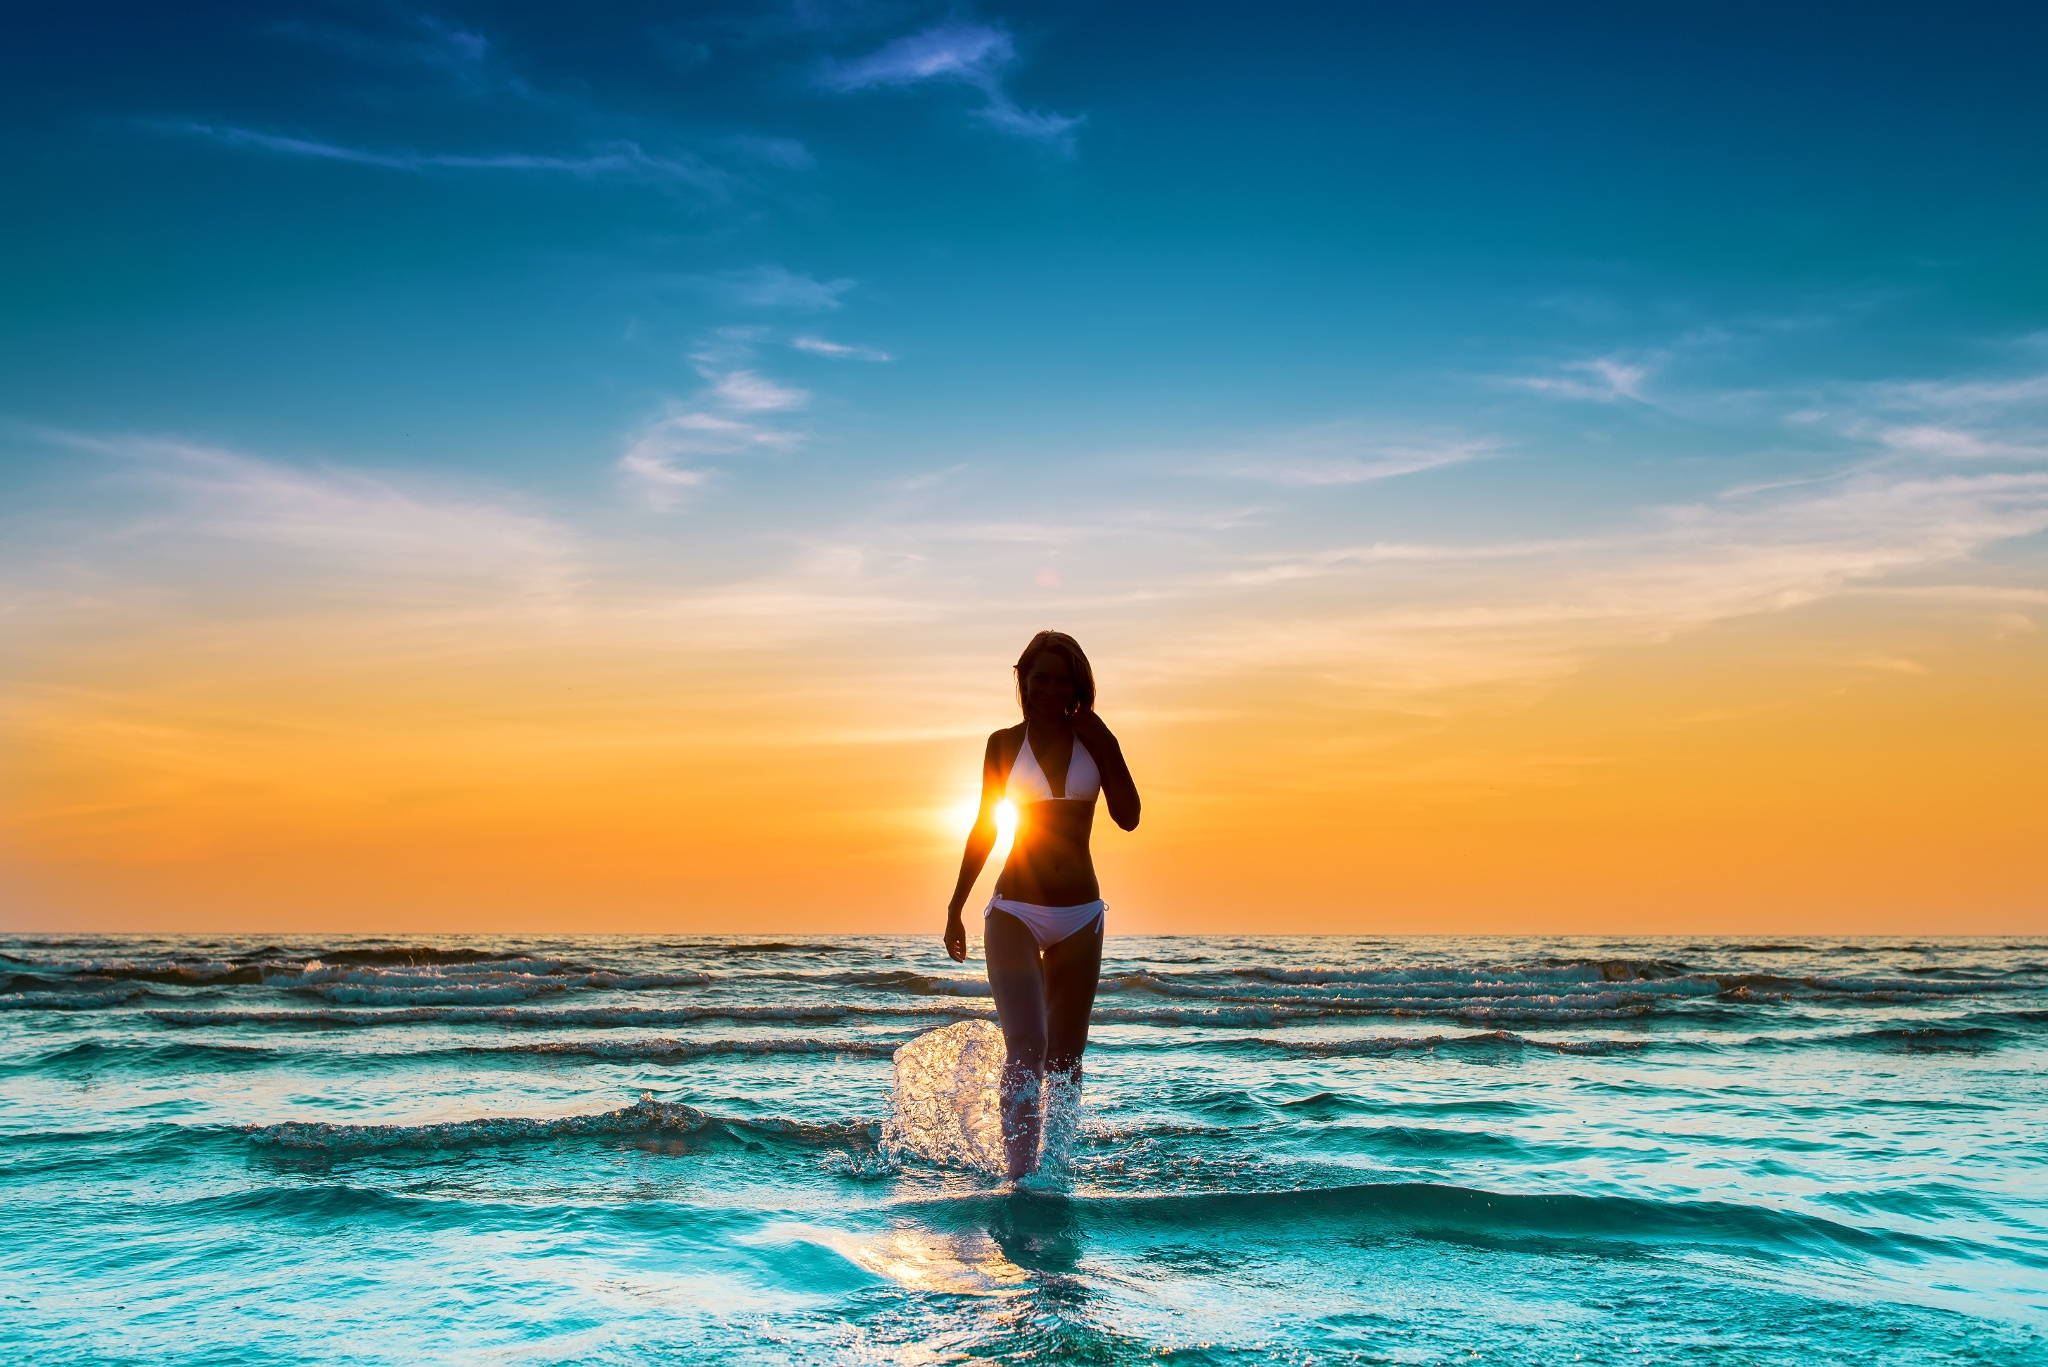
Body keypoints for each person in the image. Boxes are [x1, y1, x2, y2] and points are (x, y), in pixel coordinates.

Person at [944, 631, 1141, 1179]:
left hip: (1081, 916)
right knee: (1027, 1042)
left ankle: (1054, 1172)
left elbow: (1128, 816)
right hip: (1015, 910)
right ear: (1024, 683)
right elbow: (985, 826)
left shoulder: (1092, 739)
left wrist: (1104, 742)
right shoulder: (1004, 743)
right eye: (1041, 678)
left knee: (1065, 1062)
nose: (1051, 688)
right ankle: (1020, 1177)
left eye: (1062, 679)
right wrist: (957, 905)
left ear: (1076, 685)